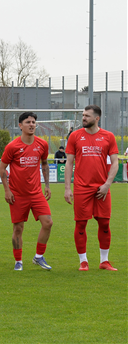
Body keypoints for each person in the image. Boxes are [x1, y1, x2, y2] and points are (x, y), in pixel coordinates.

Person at [64, 105, 119, 271]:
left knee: (104, 223)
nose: (83, 118)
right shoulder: (75, 136)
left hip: (102, 187)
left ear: (97, 118)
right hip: (81, 188)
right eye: (83, 115)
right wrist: (67, 188)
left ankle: (104, 261)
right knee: (80, 224)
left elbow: (115, 162)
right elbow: (69, 163)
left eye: (87, 116)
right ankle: (83, 261)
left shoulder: (108, 136)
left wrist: (107, 184)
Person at [0, 112, 54, 271]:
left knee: (48, 222)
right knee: (18, 228)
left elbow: (44, 164)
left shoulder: (42, 144)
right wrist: (7, 190)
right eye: (28, 122)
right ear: (20, 125)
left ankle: (38, 257)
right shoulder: (12, 146)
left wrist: (47, 185)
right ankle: (18, 261)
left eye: (34, 122)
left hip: (36, 193)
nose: (32, 124)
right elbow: (2, 168)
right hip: (17, 195)